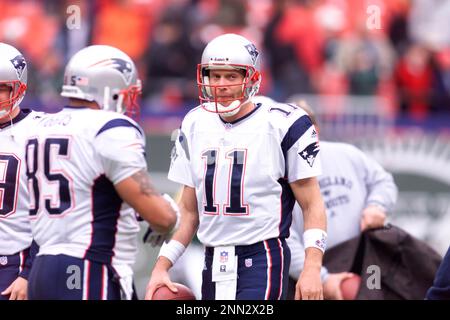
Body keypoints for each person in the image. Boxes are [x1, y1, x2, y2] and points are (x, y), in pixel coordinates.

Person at [146, 33, 327, 300]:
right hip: (211, 257)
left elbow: (312, 203)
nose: (221, 84)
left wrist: (312, 267)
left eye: (231, 76)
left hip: (262, 256)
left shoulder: (282, 123)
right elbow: (188, 212)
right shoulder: (194, 123)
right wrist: (161, 266)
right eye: (214, 76)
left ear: (251, 78)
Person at [25, 45, 179, 300]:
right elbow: (161, 217)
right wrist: (170, 214)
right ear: (109, 89)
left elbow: (91, 194)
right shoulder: (110, 128)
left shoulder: (41, 127)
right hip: (88, 268)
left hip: (42, 270)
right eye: (125, 92)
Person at [285, 100, 398, 300]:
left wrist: (376, 206)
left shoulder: (346, 154)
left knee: (381, 289)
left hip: (363, 257)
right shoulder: (276, 176)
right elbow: (285, 242)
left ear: (316, 130)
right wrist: (323, 278)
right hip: (311, 270)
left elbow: (383, 181)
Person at [0, 43, 40, 300]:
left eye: (1, 89)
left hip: (14, 262)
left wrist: (29, 273)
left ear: (19, 87)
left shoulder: (40, 133)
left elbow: (53, 215)